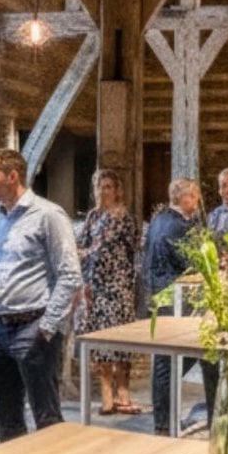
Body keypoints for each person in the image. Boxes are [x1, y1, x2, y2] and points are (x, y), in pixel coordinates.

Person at [0, 148, 79, 441]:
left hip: (33, 325)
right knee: (6, 419)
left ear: (13, 176)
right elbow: (0, 268)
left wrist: (47, 326)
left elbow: (70, 275)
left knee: (46, 418)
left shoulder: (48, 215)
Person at [148, 178, 212, 434]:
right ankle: (164, 424)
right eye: (195, 197)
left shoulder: (159, 220)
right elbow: (192, 263)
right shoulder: (178, 226)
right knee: (172, 362)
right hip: (175, 301)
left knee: (167, 363)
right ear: (183, 198)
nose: (197, 203)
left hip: (160, 296)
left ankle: (164, 422)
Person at [78, 169, 141, 415]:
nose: (102, 191)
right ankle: (106, 394)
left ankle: (123, 392)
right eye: (99, 187)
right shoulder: (93, 216)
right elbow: (84, 245)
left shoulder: (124, 217)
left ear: (117, 191)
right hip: (96, 287)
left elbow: (99, 248)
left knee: (121, 341)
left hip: (118, 285)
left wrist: (83, 252)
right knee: (101, 342)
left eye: (107, 187)